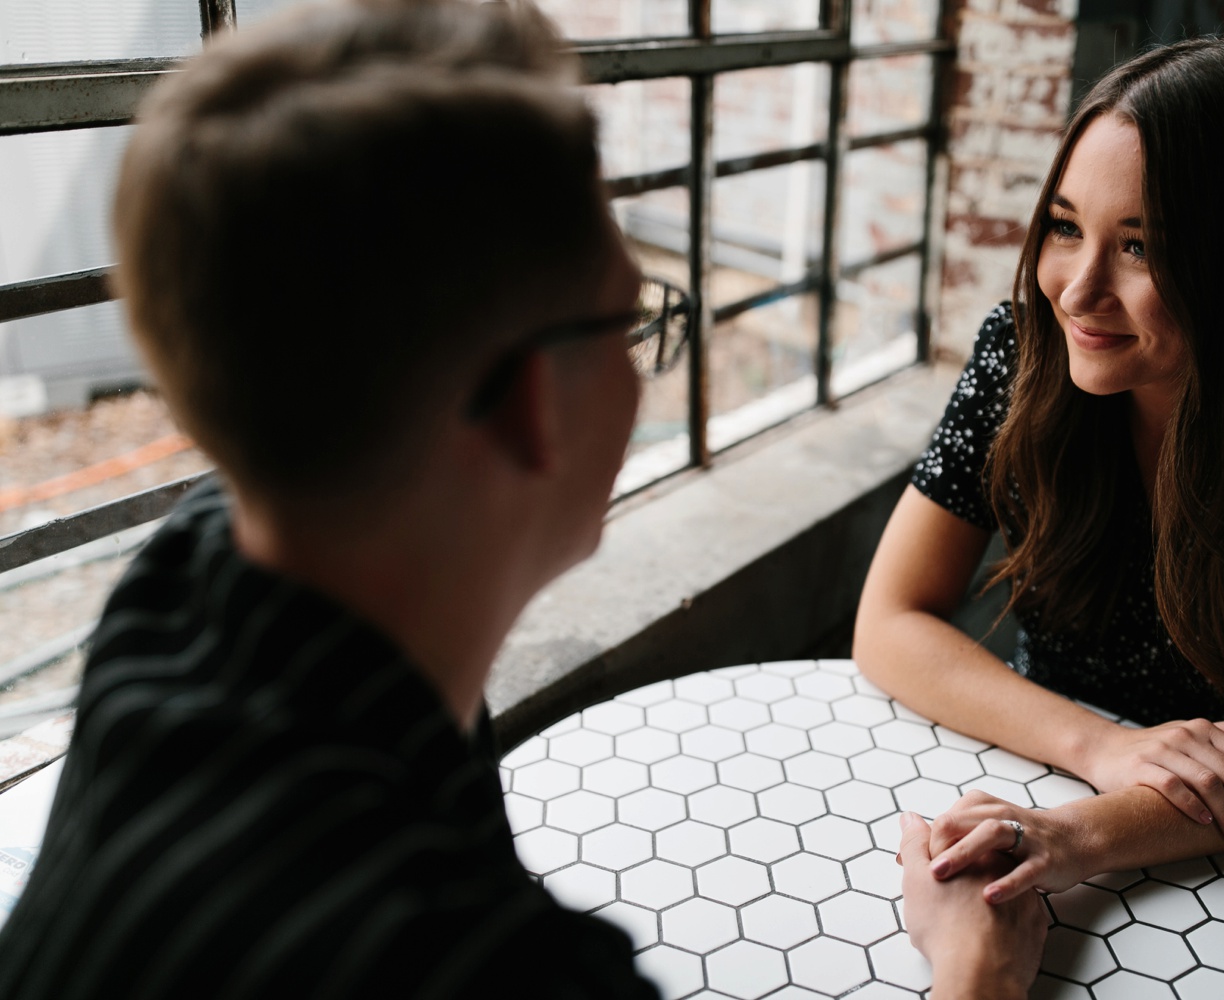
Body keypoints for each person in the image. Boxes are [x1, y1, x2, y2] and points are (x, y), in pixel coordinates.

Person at [0, 1, 1043, 996]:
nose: (646, 368)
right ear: (536, 403)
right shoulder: (489, 967)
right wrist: (977, 977)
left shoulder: (186, 579)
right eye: (632, 318)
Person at [854, 34, 1224, 910]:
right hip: (1039, 765)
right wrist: (1101, 750)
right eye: (1066, 227)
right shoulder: (1021, 348)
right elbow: (889, 619)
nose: (1075, 289)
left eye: (1139, 247)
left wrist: (1076, 836)